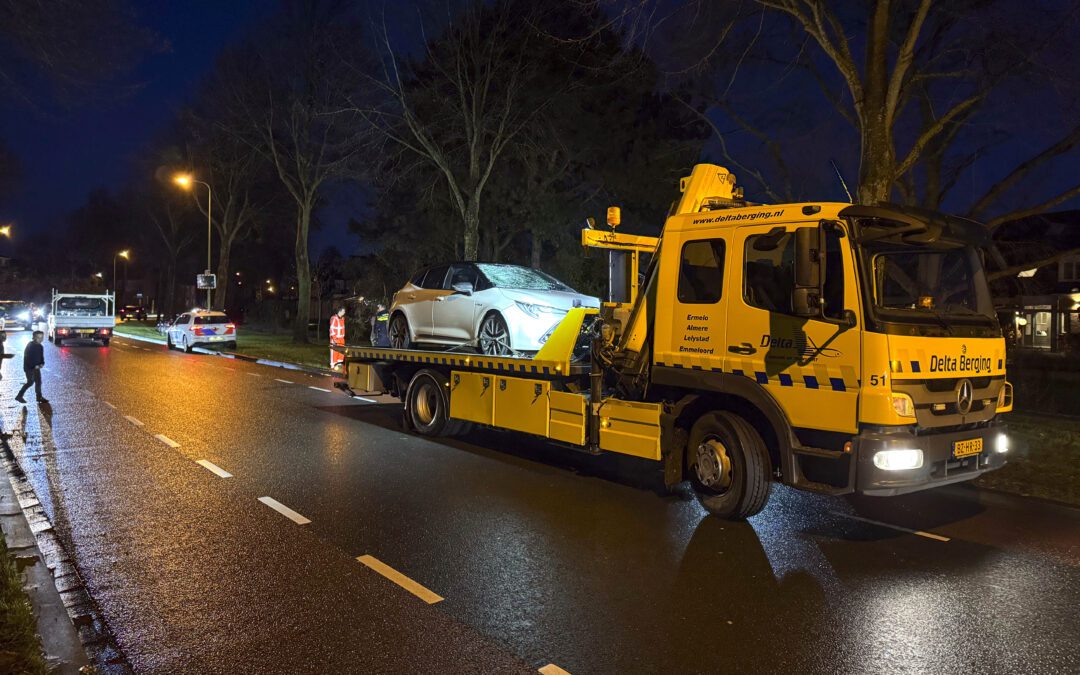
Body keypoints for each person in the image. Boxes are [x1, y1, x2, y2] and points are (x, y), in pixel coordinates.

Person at [15, 330, 48, 404]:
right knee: (30, 382)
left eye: (42, 337)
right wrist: (33, 366)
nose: (41, 339)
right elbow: (27, 358)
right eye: (39, 337)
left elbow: (41, 357)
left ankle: (39, 397)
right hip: (29, 368)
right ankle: (19, 396)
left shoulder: (40, 346)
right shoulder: (30, 345)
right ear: (34, 338)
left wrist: (42, 363)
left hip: (37, 368)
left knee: (38, 382)